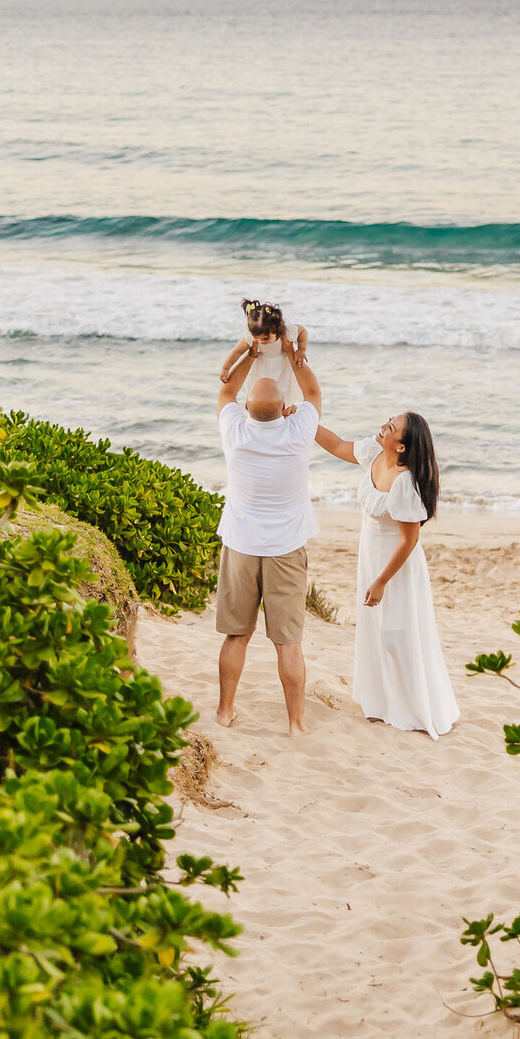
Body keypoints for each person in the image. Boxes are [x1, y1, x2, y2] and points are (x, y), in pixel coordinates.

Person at [314, 412, 459, 740]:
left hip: (396, 567)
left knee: (396, 632)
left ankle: (411, 707)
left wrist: (381, 581)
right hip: (370, 557)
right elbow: (336, 444)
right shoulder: (374, 453)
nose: (384, 427)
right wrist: (304, 421)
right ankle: (380, 704)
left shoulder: (405, 483)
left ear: (403, 446)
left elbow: (409, 541)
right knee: (375, 630)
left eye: (391, 427)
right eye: (388, 421)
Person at [215, 336, 322, 737]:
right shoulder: (298, 433)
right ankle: (295, 724)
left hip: (240, 548)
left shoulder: (235, 434)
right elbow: (312, 390)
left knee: (235, 635)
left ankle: (225, 711)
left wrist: (252, 353)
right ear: (286, 409)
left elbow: (227, 389)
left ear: (246, 410)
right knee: (288, 644)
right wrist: (296, 357)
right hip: (285, 551)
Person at [219, 298, 308, 407]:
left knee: (284, 389)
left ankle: (288, 408)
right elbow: (237, 352)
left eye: (265, 338)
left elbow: (302, 332)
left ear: (277, 330)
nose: (261, 341)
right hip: (261, 366)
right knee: (259, 390)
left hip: (283, 365)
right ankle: (259, 409)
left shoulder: (287, 330)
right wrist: (226, 368)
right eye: (257, 338)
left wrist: (301, 349)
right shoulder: (252, 335)